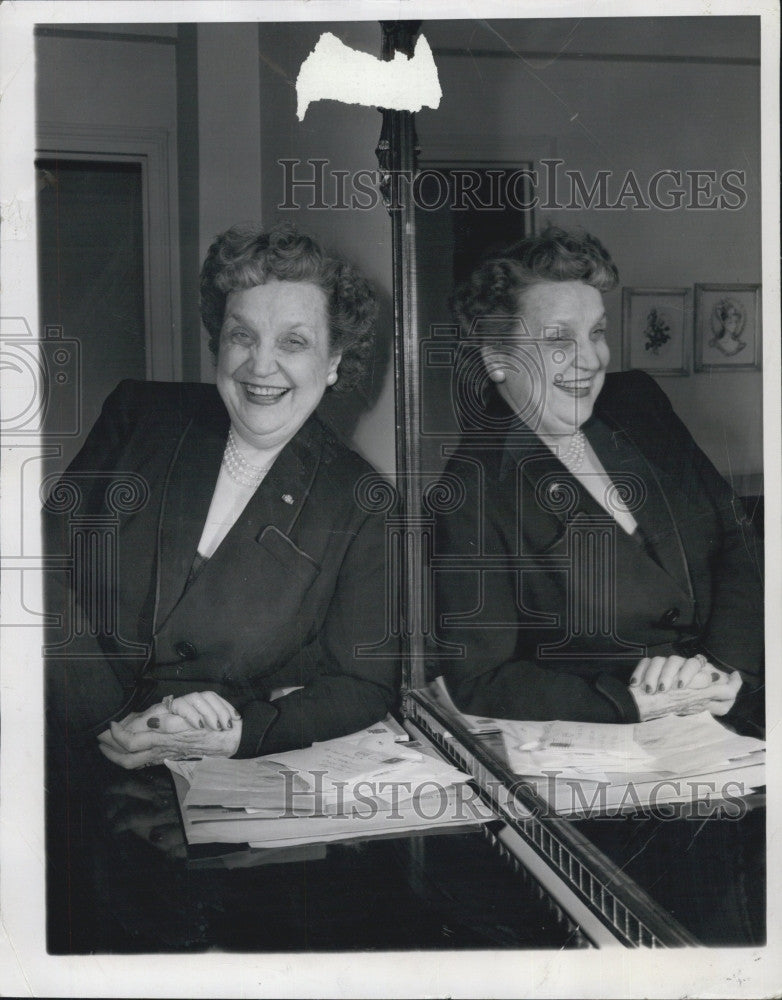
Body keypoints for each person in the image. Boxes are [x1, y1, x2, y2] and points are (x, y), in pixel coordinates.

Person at [44, 222, 399, 768]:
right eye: (242, 335)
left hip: (194, 772)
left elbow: (364, 683)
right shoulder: (140, 416)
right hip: (46, 730)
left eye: (294, 342)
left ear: (333, 362)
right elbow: (34, 572)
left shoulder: (360, 501)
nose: (260, 365)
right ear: (219, 340)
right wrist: (102, 717)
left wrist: (238, 734)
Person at [433, 226, 763, 728]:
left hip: (741, 703)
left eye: (597, 332)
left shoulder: (638, 404)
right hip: (618, 742)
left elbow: (738, 541)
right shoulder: (472, 491)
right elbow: (481, 679)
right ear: (497, 357)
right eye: (559, 338)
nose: (591, 359)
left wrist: (725, 669)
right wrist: (626, 701)